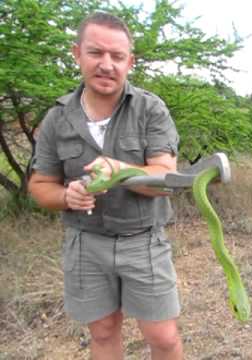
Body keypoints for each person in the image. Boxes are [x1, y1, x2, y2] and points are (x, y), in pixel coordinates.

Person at [28, 12, 183, 360]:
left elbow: (165, 179)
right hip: (85, 243)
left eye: (117, 56)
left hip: (143, 240)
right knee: (102, 331)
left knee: (163, 337)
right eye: (96, 53)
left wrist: (120, 170)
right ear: (77, 53)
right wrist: (67, 196)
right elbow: (40, 185)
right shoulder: (56, 118)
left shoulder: (150, 109)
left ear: (131, 61)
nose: (107, 64)